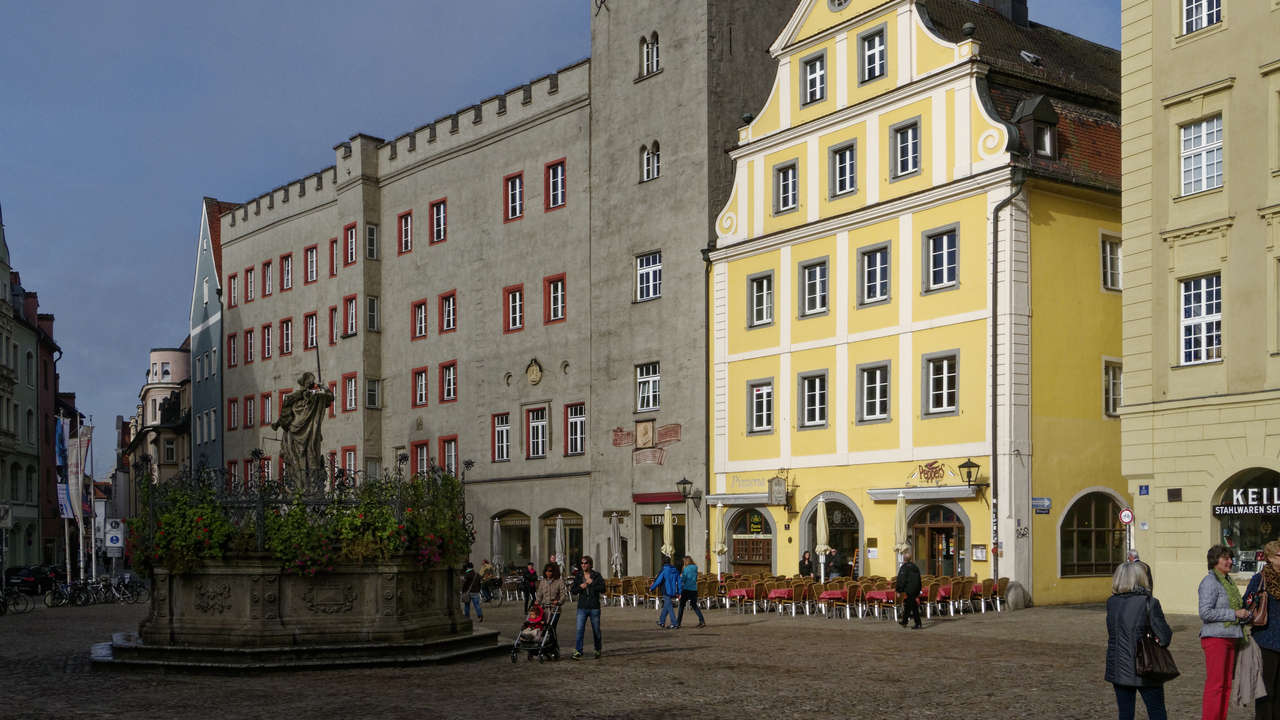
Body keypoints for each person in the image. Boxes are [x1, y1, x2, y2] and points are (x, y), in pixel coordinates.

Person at [1106, 561, 1172, 720]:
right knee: (1156, 712)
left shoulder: (1111, 602)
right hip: (1145, 665)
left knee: (1125, 714)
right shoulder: (1149, 602)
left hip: (1118, 665)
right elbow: (1165, 637)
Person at [1201, 544, 1253, 720]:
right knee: (1215, 685)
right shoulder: (1210, 582)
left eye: (1230, 558)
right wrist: (1234, 613)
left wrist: (1245, 614)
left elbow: (1235, 608)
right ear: (1215, 561)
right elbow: (1205, 612)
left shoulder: (1228, 581)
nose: (1230, 562)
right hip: (1216, 638)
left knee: (1225, 686)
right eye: (1226, 558)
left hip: (1230, 636)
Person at [1246, 540, 1280, 720]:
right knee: (1265, 688)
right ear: (1270, 558)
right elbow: (1247, 603)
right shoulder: (1260, 579)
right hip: (1266, 639)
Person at [570, 555, 605, 660]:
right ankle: (578, 651)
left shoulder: (596, 575)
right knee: (579, 630)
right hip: (582, 607)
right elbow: (573, 590)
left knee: (596, 631)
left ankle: (598, 649)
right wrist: (580, 587)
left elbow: (603, 589)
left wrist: (592, 583)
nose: (583, 565)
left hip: (594, 607)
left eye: (585, 563)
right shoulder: (579, 576)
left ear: (590, 564)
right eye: (582, 563)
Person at [535, 561, 570, 632]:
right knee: (544, 627)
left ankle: (552, 641)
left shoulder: (559, 582)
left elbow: (563, 594)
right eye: (546, 571)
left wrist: (559, 602)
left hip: (555, 610)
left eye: (550, 571)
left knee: (551, 627)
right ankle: (548, 641)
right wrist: (537, 601)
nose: (548, 573)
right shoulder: (543, 581)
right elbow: (539, 594)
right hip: (545, 608)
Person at [650, 556, 682, 629]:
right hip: (673, 590)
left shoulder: (664, 570)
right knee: (666, 606)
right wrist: (679, 592)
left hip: (665, 590)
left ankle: (674, 623)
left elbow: (658, 581)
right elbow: (679, 582)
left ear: (662, 562)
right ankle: (662, 621)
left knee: (669, 606)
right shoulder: (676, 571)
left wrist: (652, 588)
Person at [895, 549, 923, 629]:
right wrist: (919, 589)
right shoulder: (915, 567)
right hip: (916, 588)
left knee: (913, 606)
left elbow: (902, 580)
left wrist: (899, 590)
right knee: (908, 604)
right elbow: (919, 579)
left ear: (904, 559)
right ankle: (904, 621)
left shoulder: (904, 568)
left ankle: (918, 623)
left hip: (910, 589)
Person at [677, 555, 706, 629]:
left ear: (686, 561)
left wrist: (680, 578)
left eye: (684, 561)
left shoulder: (686, 569)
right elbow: (695, 578)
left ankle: (678, 622)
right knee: (694, 605)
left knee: (681, 606)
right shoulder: (695, 568)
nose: (683, 562)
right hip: (694, 589)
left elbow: (683, 579)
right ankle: (702, 620)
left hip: (687, 588)